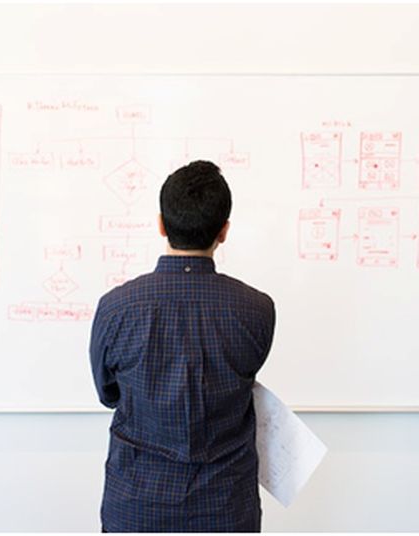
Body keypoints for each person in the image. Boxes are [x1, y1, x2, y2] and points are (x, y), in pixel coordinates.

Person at [89, 160, 276, 532]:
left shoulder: (116, 308)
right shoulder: (257, 310)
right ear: (223, 231)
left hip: (137, 505)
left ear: (161, 224)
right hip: (225, 507)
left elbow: (108, 393)